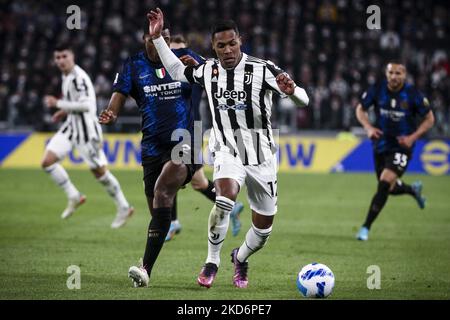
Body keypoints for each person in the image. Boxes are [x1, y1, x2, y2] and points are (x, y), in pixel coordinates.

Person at [148, 8, 309, 289]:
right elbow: (176, 70)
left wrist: (293, 90)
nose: (227, 50)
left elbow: (303, 101)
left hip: (261, 155)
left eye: (232, 43)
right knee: (225, 197)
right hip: (226, 148)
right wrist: (158, 38)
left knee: (263, 229)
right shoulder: (208, 70)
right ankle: (212, 261)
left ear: (240, 41)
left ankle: (241, 257)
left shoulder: (263, 68)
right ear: (213, 46)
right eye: (220, 45)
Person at [42, 43, 134, 229]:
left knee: (100, 172)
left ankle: (124, 207)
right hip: (71, 127)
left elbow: (86, 105)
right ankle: (74, 196)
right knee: (48, 161)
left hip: (87, 132)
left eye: (64, 56)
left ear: (72, 57)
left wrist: (59, 104)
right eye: (57, 57)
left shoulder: (78, 78)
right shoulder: (66, 75)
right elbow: (75, 103)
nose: (60, 60)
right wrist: (64, 111)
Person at [166, 34, 244, 242]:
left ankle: (171, 222)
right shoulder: (166, 71)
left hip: (189, 129)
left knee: (169, 175)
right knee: (198, 182)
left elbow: (218, 68)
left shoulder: (197, 64)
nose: (177, 55)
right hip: (173, 128)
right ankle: (231, 206)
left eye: (181, 50)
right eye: (172, 51)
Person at [355, 61, 435, 241]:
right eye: (391, 72)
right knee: (388, 188)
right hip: (381, 145)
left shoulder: (413, 94)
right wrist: (368, 127)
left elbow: (430, 119)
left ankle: (365, 228)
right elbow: (360, 109)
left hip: (402, 146)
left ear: (404, 75)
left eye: (398, 73)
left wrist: (412, 138)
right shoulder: (377, 89)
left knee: (384, 184)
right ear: (386, 73)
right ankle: (412, 190)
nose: (394, 76)